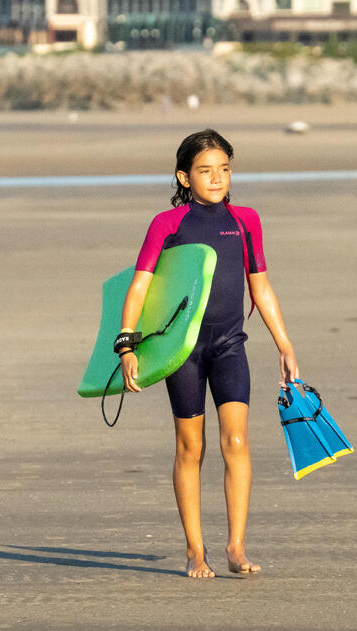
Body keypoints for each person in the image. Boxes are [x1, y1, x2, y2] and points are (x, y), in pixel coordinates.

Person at [117, 129, 299, 578]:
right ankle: (195, 550)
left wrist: (284, 344)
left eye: (224, 169)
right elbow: (139, 285)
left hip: (230, 343)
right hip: (183, 350)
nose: (217, 178)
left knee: (236, 441)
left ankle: (236, 546)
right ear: (185, 177)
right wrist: (126, 344)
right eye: (205, 170)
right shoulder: (168, 224)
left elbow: (260, 285)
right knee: (190, 447)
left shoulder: (245, 221)